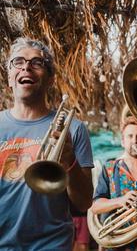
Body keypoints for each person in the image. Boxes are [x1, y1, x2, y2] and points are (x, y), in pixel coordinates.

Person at [0, 37, 94, 250]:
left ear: (50, 79)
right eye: (18, 62)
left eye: (37, 63)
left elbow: (84, 202)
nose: (26, 67)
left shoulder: (75, 129)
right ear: (9, 78)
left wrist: (70, 162)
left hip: (52, 245)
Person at [91, 116, 137, 251]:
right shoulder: (109, 168)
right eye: (129, 136)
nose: (134, 141)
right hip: (118, 246)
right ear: (123, 141)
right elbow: (95, 207)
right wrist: (121, 201)